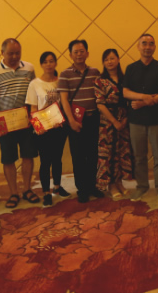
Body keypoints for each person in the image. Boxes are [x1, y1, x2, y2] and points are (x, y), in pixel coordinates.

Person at [0, 38, 39, 208]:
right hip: (5, 122)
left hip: (26, 121)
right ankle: (13, 193)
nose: (14, 56)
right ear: (2, 53)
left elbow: (34, 92)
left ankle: (27, 189)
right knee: (8, 159)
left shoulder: (29, 68)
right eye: (10, 53)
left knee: (28, 156)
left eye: (18, 53)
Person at [123, 34, 158, 203]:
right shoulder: (131, 68)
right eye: (144, 43)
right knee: (139, 156)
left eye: (151, 44)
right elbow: (125, 92)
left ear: (154, 47)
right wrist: (144, 96)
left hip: (157, 120)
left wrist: (146, 102)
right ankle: (142, 186)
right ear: (138, 47)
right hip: (136, 121)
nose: (147, 47)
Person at [58, 40, 104, 204]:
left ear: (87, 53)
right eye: (76, 52)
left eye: (82, 51)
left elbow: (100, 94)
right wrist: (71, 120)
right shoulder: (65, 74)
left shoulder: (94, 72)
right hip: (76, 120)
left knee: (93, 155)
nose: (79, 54)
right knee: (78, 156)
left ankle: (92, 186)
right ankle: (82, 189)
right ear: (70, 55)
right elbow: (64, 100)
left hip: (93, 119)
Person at [26, 51, 71, 206]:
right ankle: (46, 192)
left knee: (57, 159)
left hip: (59, 127)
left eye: (51, 61)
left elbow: (65, 104)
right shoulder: (35, 84)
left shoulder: (61, 82)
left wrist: (62, 120)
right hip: (43, 130)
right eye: (45, 62)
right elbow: (33, 109)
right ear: (41, 65)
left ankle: (57, 187)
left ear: (55, 63)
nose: (48, 64)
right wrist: (38, 127)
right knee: (45, 161)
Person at [94, 48, 133, 198]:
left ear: (118, 59)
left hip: (124, 120)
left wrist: (124, 120)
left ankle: (119, 182)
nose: (109, 62)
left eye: (112, 58)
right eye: (106, 59)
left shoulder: (126, 79)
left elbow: (130, 101)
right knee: (107, 154)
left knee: (121, 152)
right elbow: (100, 104)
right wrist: (114, 121)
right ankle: (110, 185)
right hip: (107, 122)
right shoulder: (100, 80)